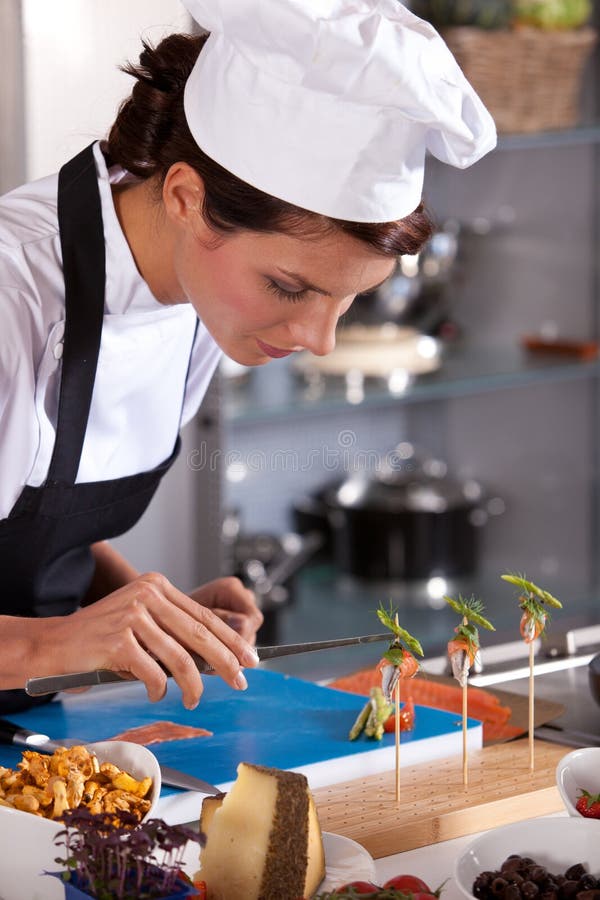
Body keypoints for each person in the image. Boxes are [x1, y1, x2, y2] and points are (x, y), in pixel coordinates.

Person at [0, 0, 496, 714]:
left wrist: (148, 620)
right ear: (185, 198)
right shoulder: (14, 300)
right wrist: (53, 646)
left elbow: (30, 535)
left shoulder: (198, 295)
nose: (317, 340)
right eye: (289, 287)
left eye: (347, 300)